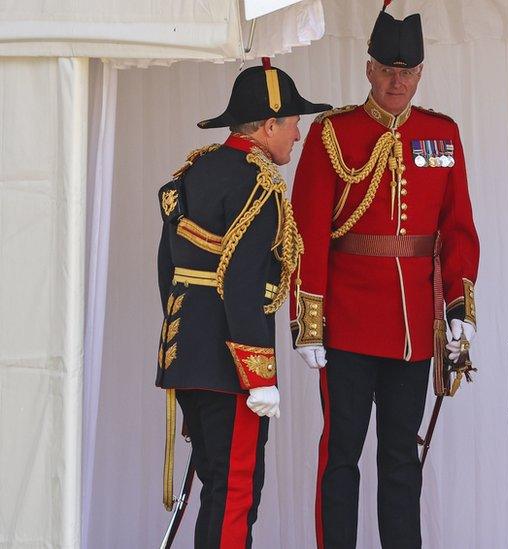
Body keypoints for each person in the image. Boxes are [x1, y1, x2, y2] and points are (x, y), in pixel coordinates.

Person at [288, 3, 480, 547]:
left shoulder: (441, 135)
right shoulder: (333, 133)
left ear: (420, 73)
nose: (397, 82)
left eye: (408, 72)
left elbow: (457, 227)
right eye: (388, 70)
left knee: (401, 458)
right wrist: (309, 318)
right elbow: (307, 229)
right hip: (346, 324)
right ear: (369, 68)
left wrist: (459, 308)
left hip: (414, 328)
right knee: (342, 454)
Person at [155, 59, 329, 547]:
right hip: (233, 368)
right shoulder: (262, 185)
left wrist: (185, 350)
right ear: (269, 124)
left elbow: (168, 271)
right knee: (234, 492)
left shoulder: (193, 169)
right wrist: (260, 378)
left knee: (216, 487)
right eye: (293, 124)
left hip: (186, 358)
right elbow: (244, 283)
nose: (297, 136)